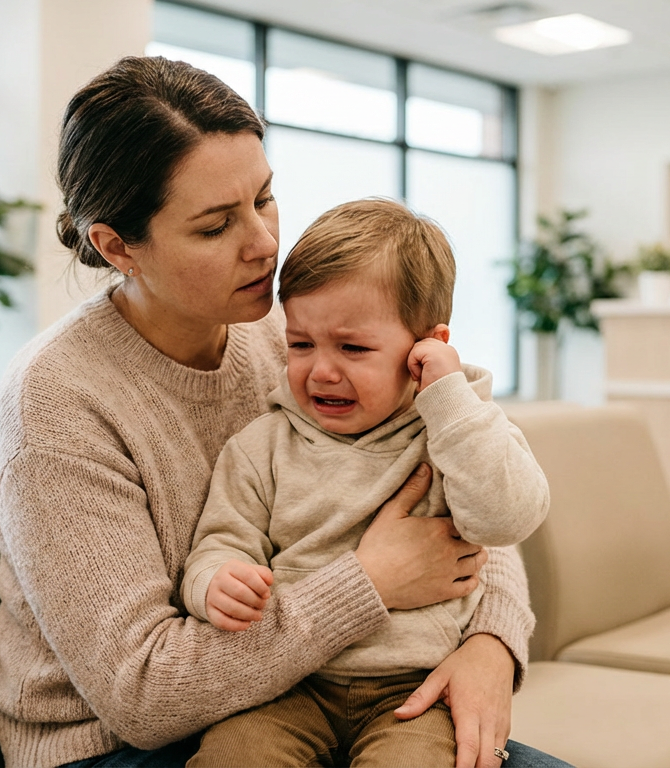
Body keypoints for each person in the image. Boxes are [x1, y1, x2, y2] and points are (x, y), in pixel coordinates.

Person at [0, 57, 570, 768]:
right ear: (117, 246)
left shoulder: (293, 338)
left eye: (263, 198)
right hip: (124, 742)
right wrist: (370, 581)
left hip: (320, 685)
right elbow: (142, 696)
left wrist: (490, 645)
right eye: (213, 226)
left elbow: (461, 476)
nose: (263, 243)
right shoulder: (55, 403)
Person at [181, 199, 550, 767]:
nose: (321, 370)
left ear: (427, 347)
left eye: (352, 348)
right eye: (300, 344)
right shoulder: (263, 446)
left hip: (413, 690)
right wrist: (214, 581)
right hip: (285, 685)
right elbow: (222, 540)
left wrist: (448, 400)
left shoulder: (456, 431)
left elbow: (504, 521)